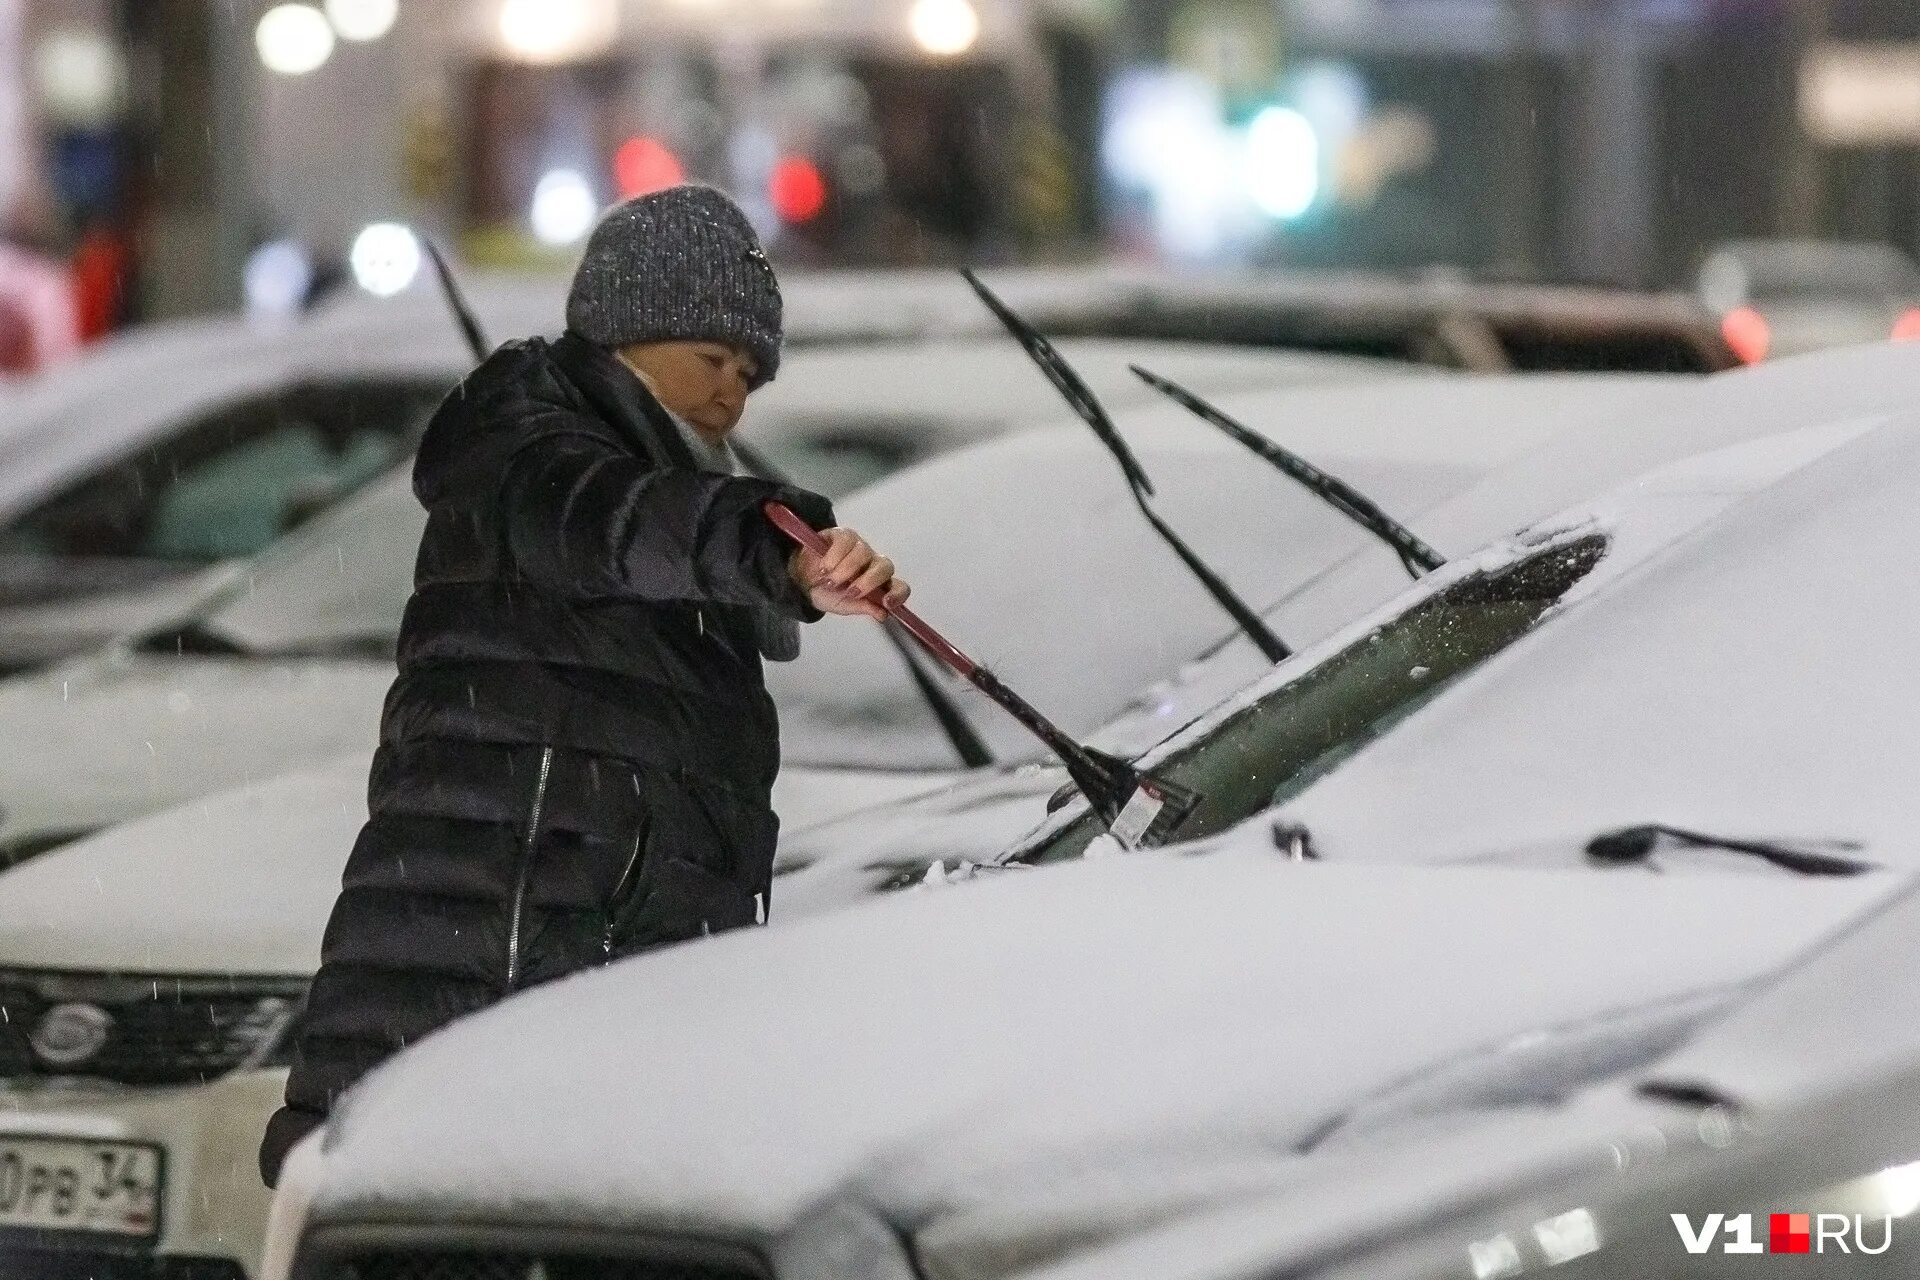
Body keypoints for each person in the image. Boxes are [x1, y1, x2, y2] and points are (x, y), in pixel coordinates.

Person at [259, 186, 906, 1185]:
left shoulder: (674, 490)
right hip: (490, 965)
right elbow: (622, 522)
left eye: (750, 373)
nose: (733, 392)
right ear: (625, 334)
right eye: (711, 358)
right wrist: (769, 548)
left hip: (580, 977)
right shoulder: (526, 451)